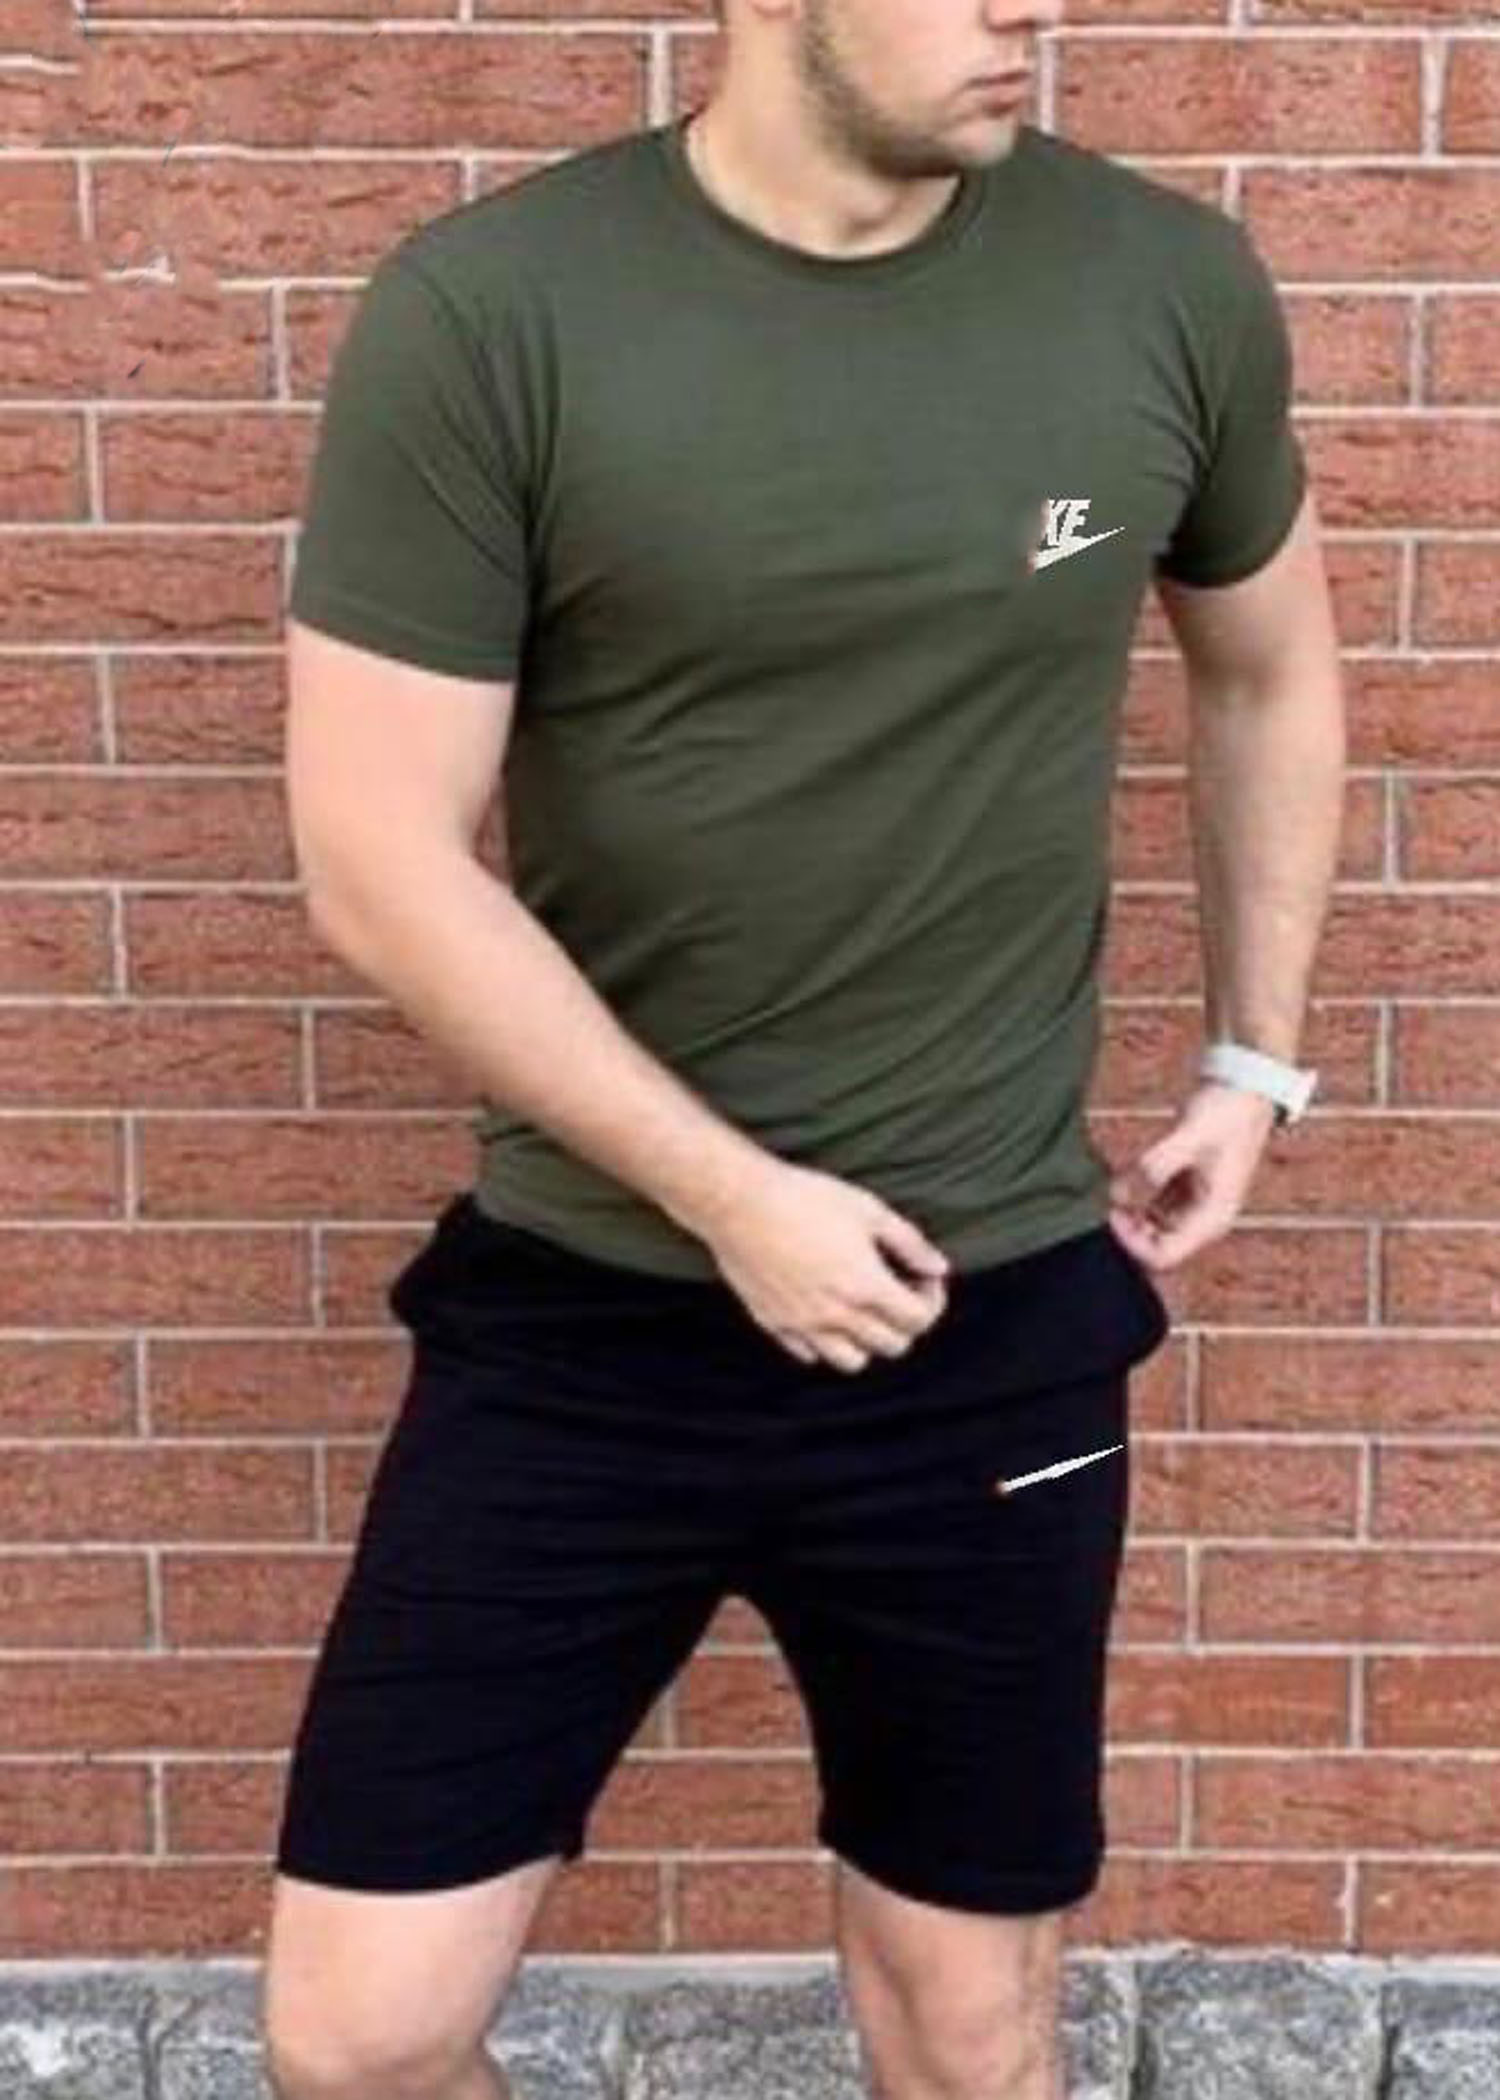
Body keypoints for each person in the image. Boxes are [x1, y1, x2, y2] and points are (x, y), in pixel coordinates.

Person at [261, 0, 1344, 2093]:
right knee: (360, 2039)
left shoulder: (1160, 285)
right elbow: (375, 858)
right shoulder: (499, 313)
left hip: (986, 1317)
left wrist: (1255, 1058)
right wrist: (732, 1197)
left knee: (966, 2029)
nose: (1030, 8)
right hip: (585, 1314)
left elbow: (1269, 668)